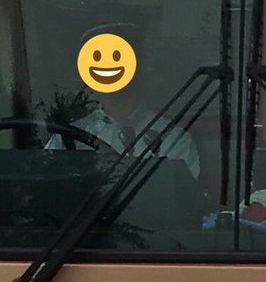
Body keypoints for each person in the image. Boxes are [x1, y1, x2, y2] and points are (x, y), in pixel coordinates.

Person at [46, 21, 201, 180]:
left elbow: (182, 200)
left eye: (117, 54)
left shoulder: (173, 141)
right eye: (97, 55)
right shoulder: (66, 139)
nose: (107, 63)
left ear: (141, 63)